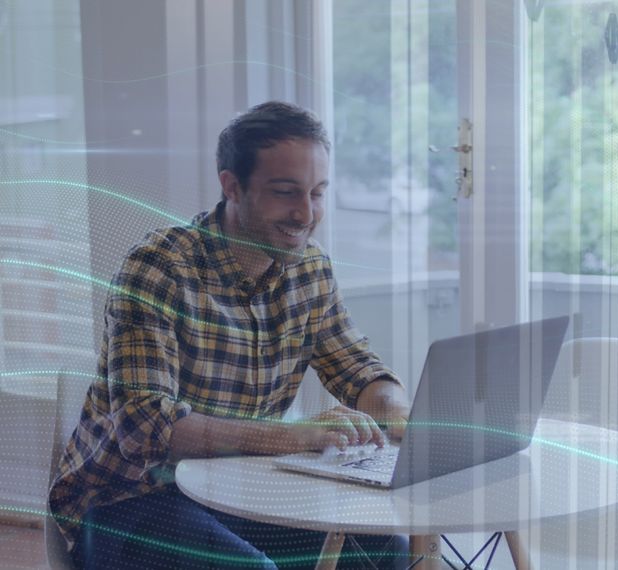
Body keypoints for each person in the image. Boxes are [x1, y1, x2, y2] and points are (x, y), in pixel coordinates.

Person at [48, 101, 412, 569]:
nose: (306, 214)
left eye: (317, 193)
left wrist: (399, 415)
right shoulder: (159, 267)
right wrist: (295, 437)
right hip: (130, 500)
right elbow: (145, 428)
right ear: (232, 185)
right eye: (285, 192)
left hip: (239, 491)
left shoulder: (310, 267)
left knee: (385, 551)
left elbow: (358, 369)